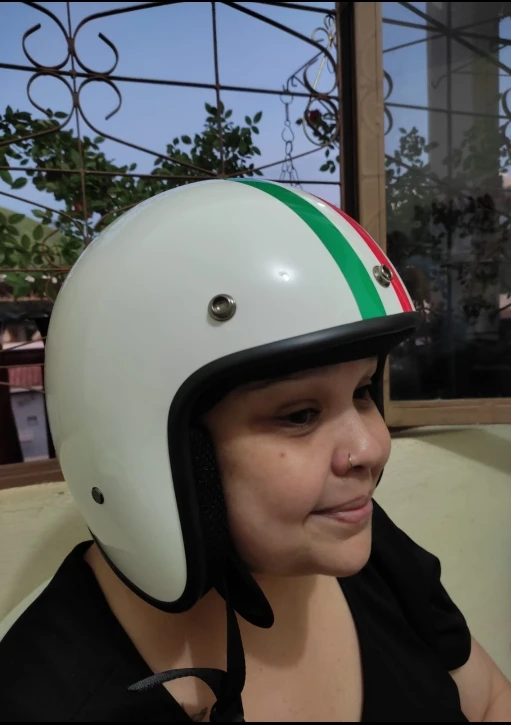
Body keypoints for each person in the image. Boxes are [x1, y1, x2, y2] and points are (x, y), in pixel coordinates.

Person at [0, 179, 510, 723]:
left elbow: (489, 701)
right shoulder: (45, 700)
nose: (372, 447)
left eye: (362, 391)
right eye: (300, 415)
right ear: (151, 452)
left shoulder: (365, 546)